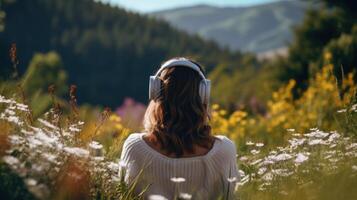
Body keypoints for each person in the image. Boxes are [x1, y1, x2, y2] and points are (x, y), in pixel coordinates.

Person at [119, 57, 239, 199]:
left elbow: (123, 195)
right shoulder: (224, 150)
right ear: (203, 95)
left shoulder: (135, 147)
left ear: (155, 92)